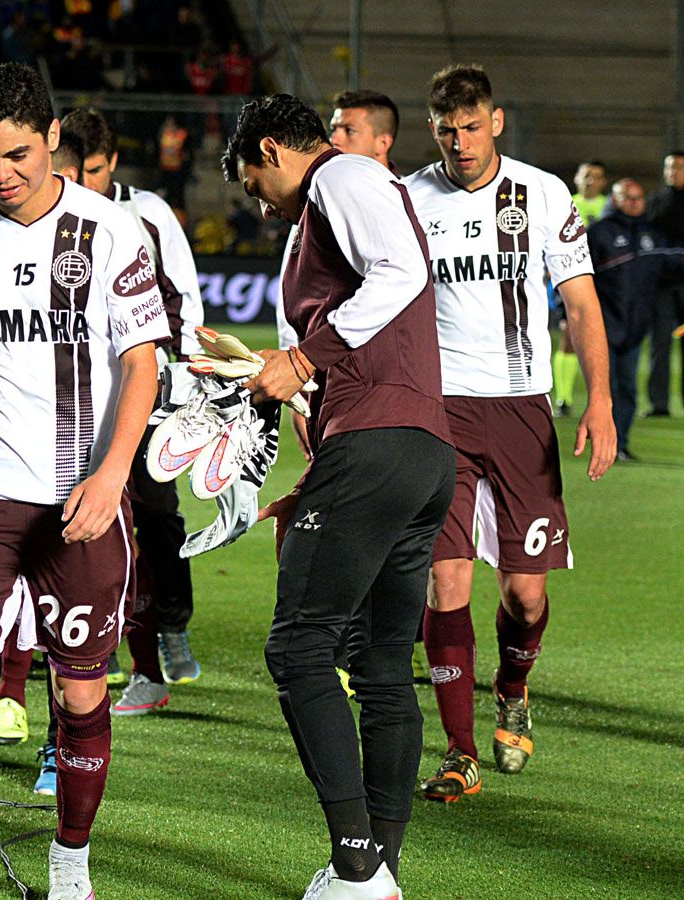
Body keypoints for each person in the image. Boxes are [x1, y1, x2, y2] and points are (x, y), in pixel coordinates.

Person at [0, 62, 168, 900]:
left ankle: (70, 861)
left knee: (81, 692)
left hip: (76, 502)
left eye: (18, 154)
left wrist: (112, 476)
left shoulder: (112, 231)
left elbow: (141, 364)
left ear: (54, 137)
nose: (1, 174)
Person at [224, 92, 453, 899]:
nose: (259, 203)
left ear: (271, 150)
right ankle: (377, 870)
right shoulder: (332, 201)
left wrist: (301, 359)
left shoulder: (341, 176)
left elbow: (403, 271)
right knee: (381, 663)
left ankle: (355, 862)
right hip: (418, 452)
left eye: (253, 183)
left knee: (298, 648)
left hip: (378, 443)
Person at [403, 65, 616, 806]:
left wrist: (600, 402)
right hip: (440, 412)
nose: (460, 142)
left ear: (496, 122)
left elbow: (581, 305)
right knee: (447, 578)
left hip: (523, 409)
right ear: (433, 129)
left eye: (471, 126)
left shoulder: (543, 193)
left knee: (525, 595)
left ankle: (514, 685)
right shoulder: (410, 199)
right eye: (446, 129)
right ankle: (459, 750)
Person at [62, 108, 207, 725]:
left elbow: (186, 296)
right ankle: (110, 648)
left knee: (157, 519)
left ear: (112, 164)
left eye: (95, 170)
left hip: (150, 388)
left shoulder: (144, 215)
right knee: (91, 523)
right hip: (80, 398)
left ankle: (167, 630)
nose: (86, 182)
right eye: (77, 172)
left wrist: (188, 377)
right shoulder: (56, 217)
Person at [278, 89, 400, 455]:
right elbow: (295, 302)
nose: (336, 138)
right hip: (332, 384)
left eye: (349, 130)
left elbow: (407, 280)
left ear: (383, 142)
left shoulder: (412, 201)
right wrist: (297, 377)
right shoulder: (314, 205)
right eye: (334, 128)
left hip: (400, 387)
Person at [589, 179, 679, 459]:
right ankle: (603, 444)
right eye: (629, 197)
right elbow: (577, 277)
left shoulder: (651, 233)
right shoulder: (600, 233)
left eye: (639, 197)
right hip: (603, 323)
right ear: (615, 199)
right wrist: (565, 313)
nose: (636, 203)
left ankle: (619, 444)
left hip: (635, 326)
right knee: (606, 388)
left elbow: (672, 261)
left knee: (627, 387)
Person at [552, 160, 611, 415]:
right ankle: (563, 398)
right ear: (577, 178)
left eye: (596, 176)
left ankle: (603, 397)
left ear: (603, 181)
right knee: (568, 335)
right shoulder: (564, 203)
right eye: (586, 175)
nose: (590, 181)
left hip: (603, 281)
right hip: (569, 277)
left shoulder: (610, 207)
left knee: (601, 337)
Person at [645, 150, 684, 416]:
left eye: (679, 167)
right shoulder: (655, 202)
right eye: (670, 167)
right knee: (660, 344)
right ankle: (659, 404)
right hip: (662, 286)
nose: (673, 172)